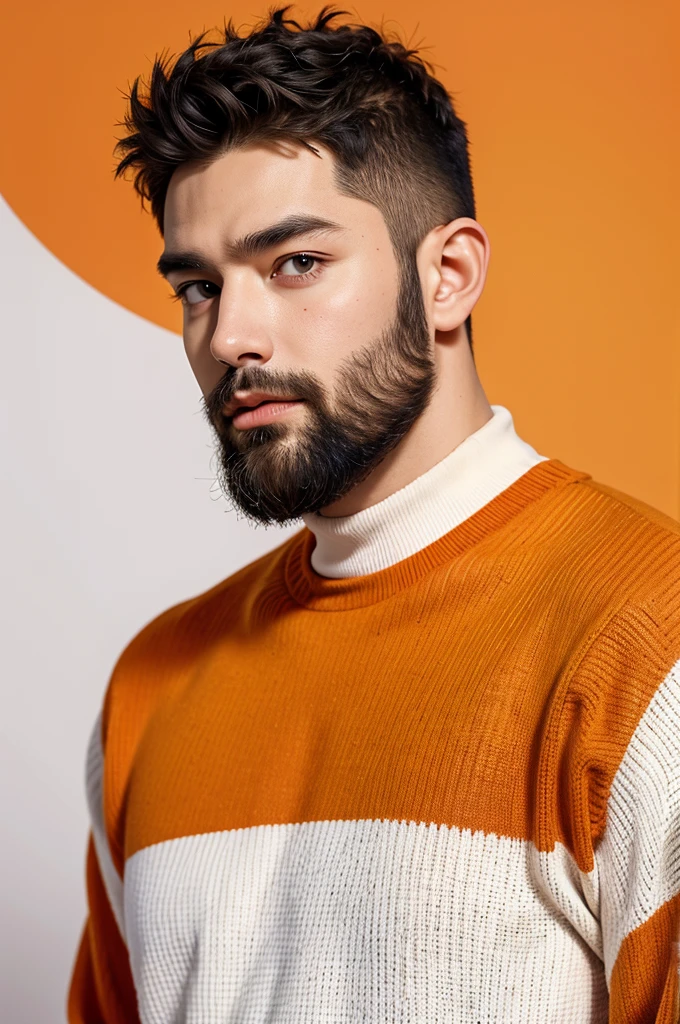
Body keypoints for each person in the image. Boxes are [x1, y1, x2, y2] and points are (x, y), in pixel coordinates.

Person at [67, 6, 680, 1022]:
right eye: (197, 287)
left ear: (447, 276)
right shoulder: (150, 686)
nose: (230, 336)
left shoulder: (646, 639)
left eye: (293, 263)